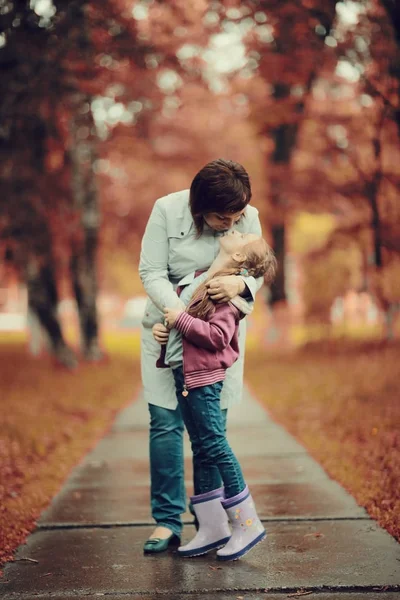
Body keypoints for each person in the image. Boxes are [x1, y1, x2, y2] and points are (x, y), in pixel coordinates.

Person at [139, 159, 264, 554]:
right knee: (165, 422)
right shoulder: (166, 210)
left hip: (214, 344)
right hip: (168, 333)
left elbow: (257, 270)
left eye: (237, 216)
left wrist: (238, 282)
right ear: (198, 206)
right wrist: (174, 316)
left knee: (210, 433)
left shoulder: (249, 218)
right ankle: (167, 520)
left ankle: (212, 524)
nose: (232, 224)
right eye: (222, 217)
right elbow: (152, 272)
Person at [156, 231, 276, 561]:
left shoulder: (228, 291)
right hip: (184, 374)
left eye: (243, 235)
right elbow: (186, 323)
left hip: (204, 379)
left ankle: (247, 524)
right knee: (202, 447)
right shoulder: (204, 277)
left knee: (215, 445)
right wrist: (165, 331)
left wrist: (179, 320)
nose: (236, 229)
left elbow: (218, 336)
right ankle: (212, 528)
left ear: (239, 258)